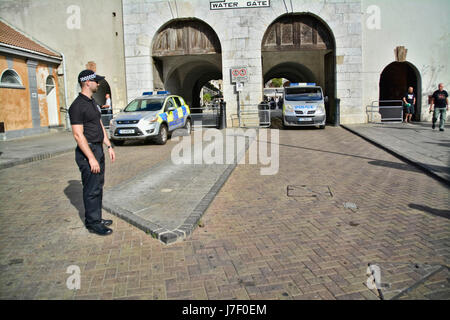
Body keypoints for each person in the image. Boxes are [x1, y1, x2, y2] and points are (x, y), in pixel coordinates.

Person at [69, 70, 116, 236]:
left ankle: (97, 217)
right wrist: (91, 158)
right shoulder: (77, 106)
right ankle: (93, 223)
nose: (99, 83)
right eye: (96, 81)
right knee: (91, 189)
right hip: (87, 151)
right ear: (87, 82)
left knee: (98, 186)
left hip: (98, 148)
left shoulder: (92, 102)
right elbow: (77, 134)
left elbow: (98, 124)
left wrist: (108, 145)